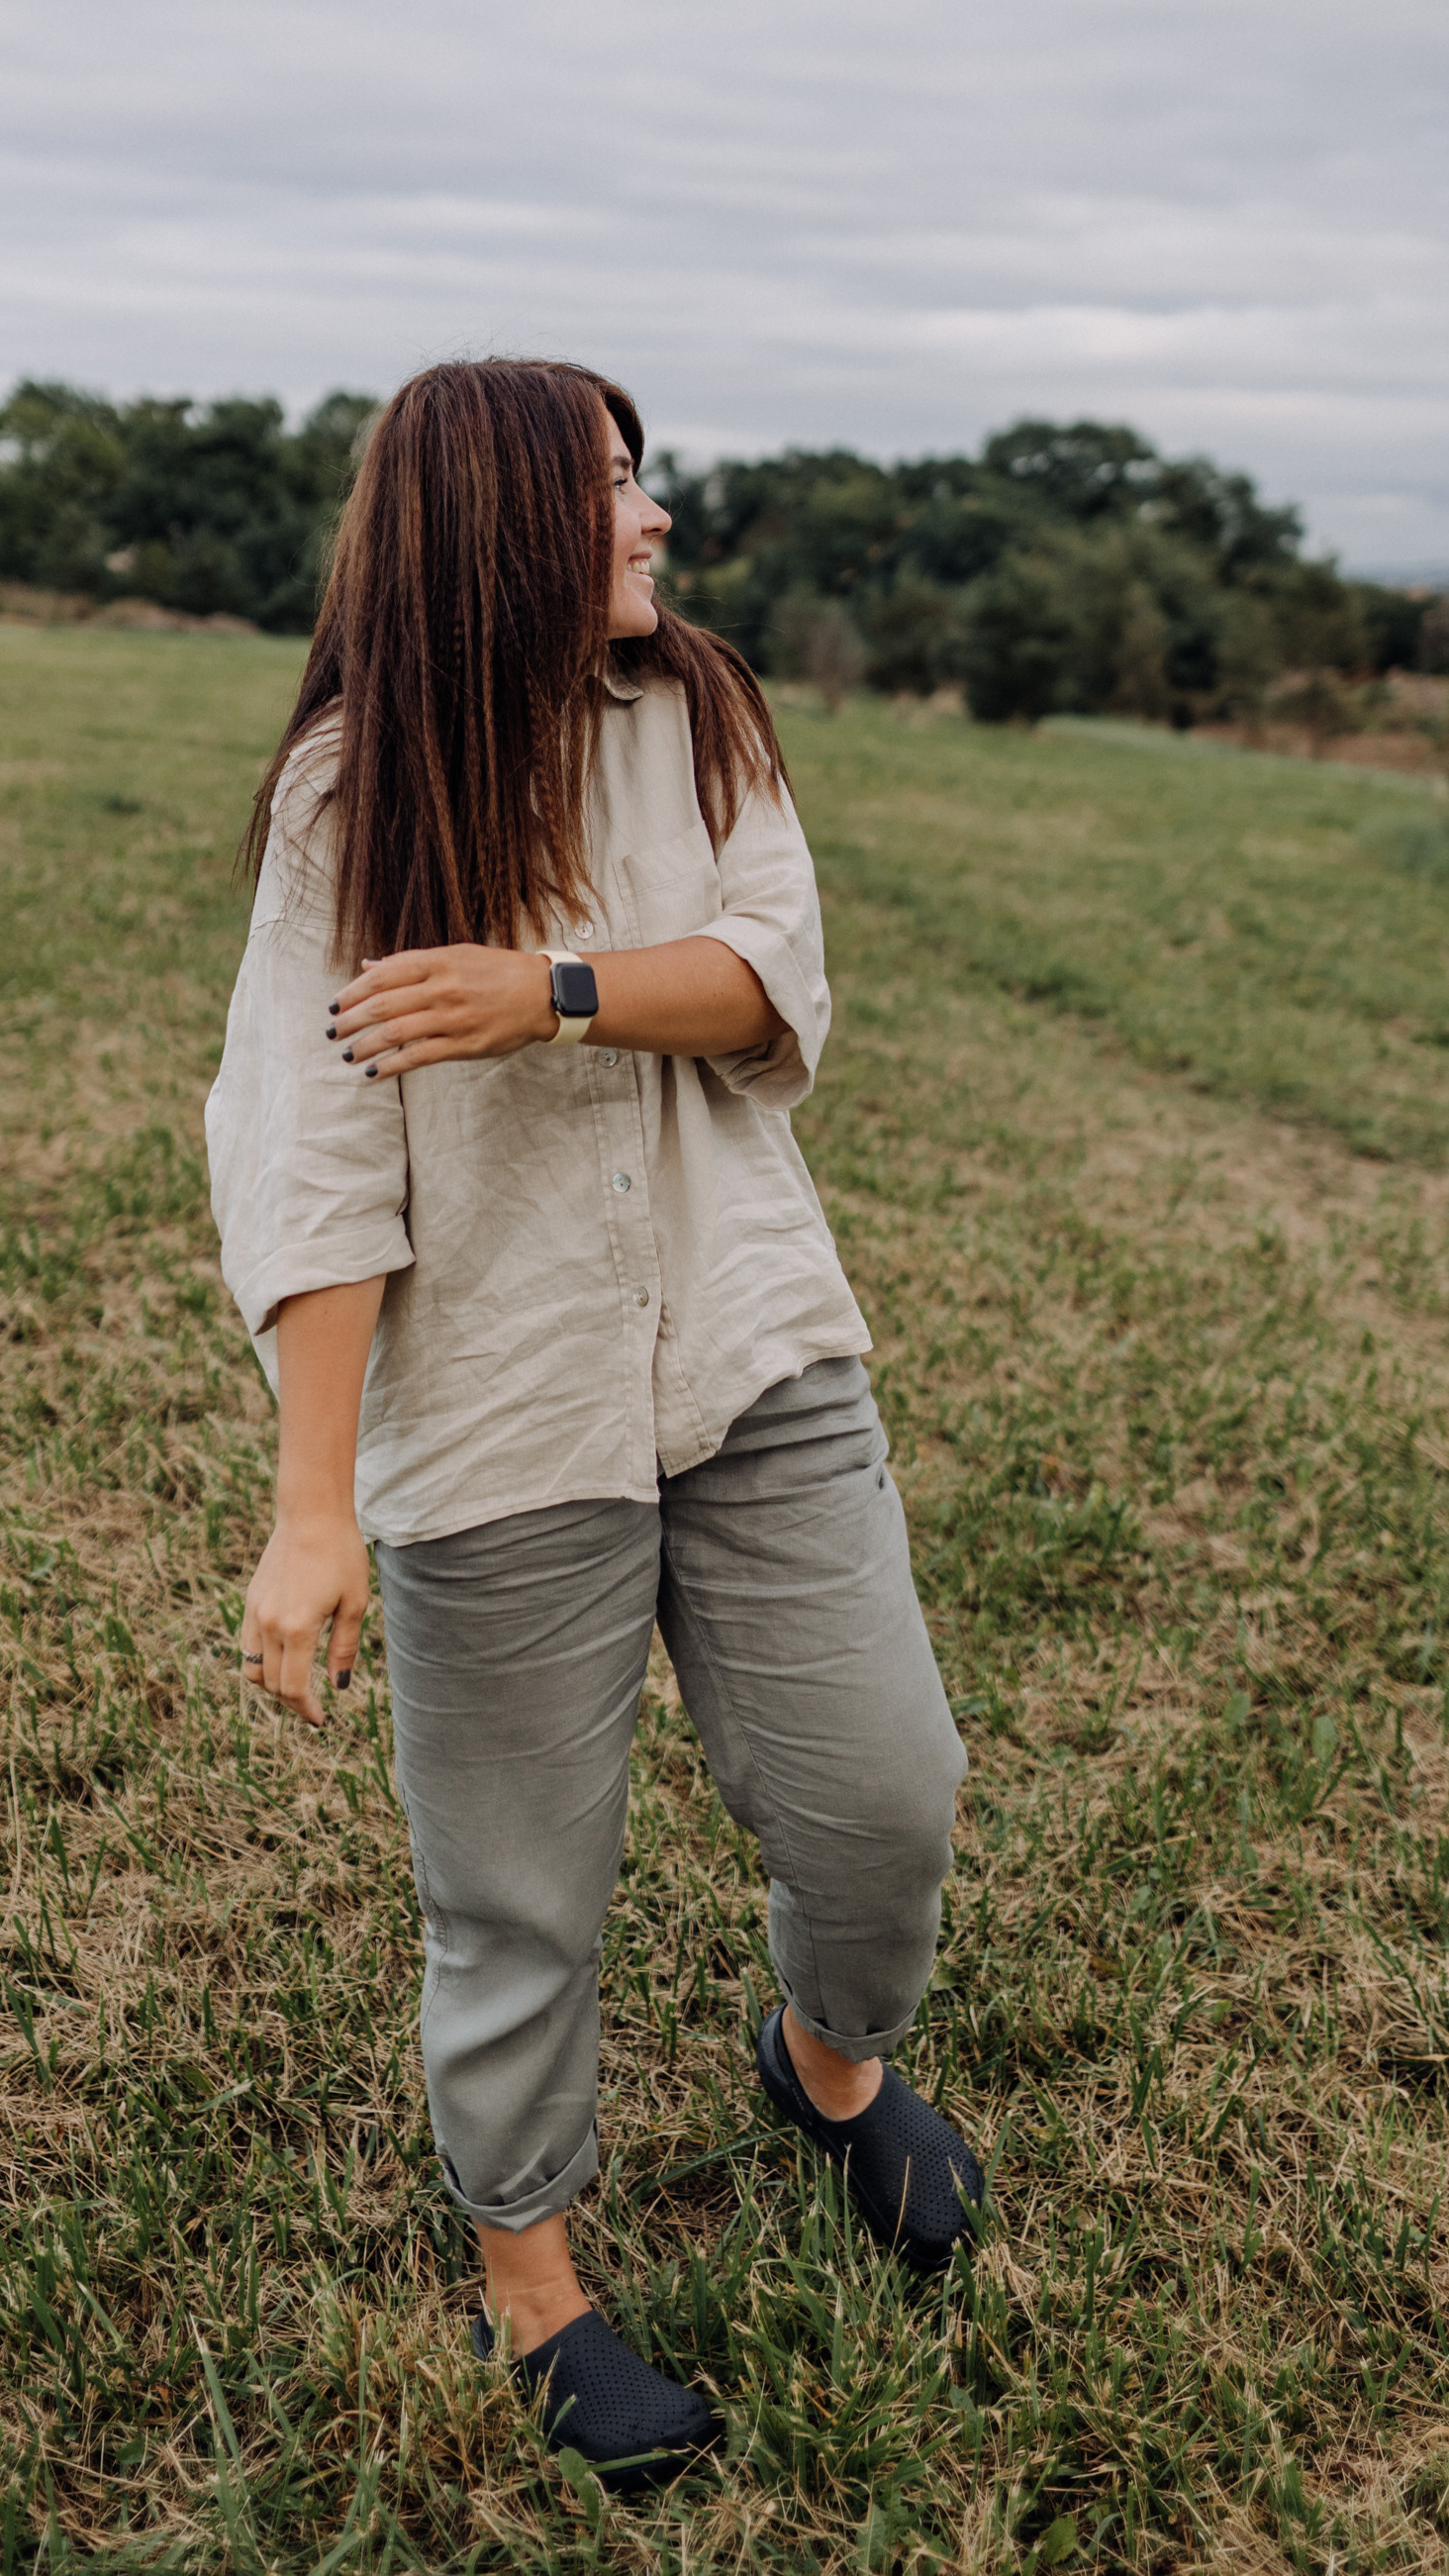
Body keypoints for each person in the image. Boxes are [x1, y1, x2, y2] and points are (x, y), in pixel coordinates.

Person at [206, 357, 981, 2494]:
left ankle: (826, 2068)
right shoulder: (350, 798)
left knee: (885, 1792)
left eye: (646, 485)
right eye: (619, 491)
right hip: (500, 1411)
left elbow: (769, 974)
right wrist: (311, 1509)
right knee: (521, 1898)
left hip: (750, 1349)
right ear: (501, 527)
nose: (655, 524)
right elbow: (313, 1164)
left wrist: (541, 986)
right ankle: (534, 2288)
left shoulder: (702, 713)